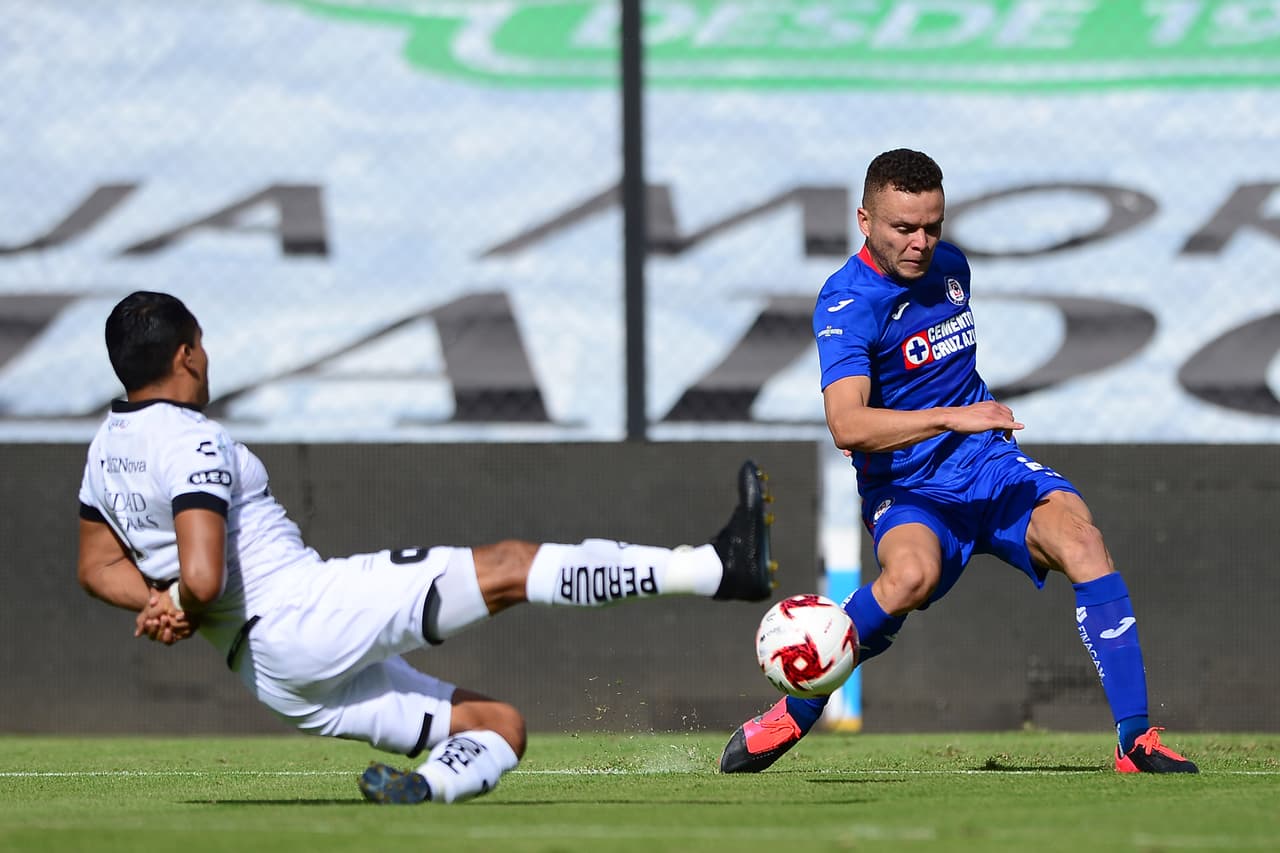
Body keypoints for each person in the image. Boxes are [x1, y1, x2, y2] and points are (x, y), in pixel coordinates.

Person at [77, 291, 777, 805]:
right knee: (509, 566)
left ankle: (423, 787)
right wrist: (176, 597)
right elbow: (199, 574)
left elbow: (96, 566)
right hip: (305, 613)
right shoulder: (191, 439)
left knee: (499, 726)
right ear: (187, 353)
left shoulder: (108, 447)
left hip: (269, 673)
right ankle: (718, 568)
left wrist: (155, 601)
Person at [719, 149, 1197, 775]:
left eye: (932, 226)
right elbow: (848, 424)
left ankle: (1135, 740)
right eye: (903, 228)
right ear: (864, 220)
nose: (920, 243)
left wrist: (965, 424)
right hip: (910, 486)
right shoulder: (845, 303)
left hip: (987, 464)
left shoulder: (950, 267)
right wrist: (948, 416)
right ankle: (800, 710)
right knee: (908, 579)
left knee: (1082, 540)